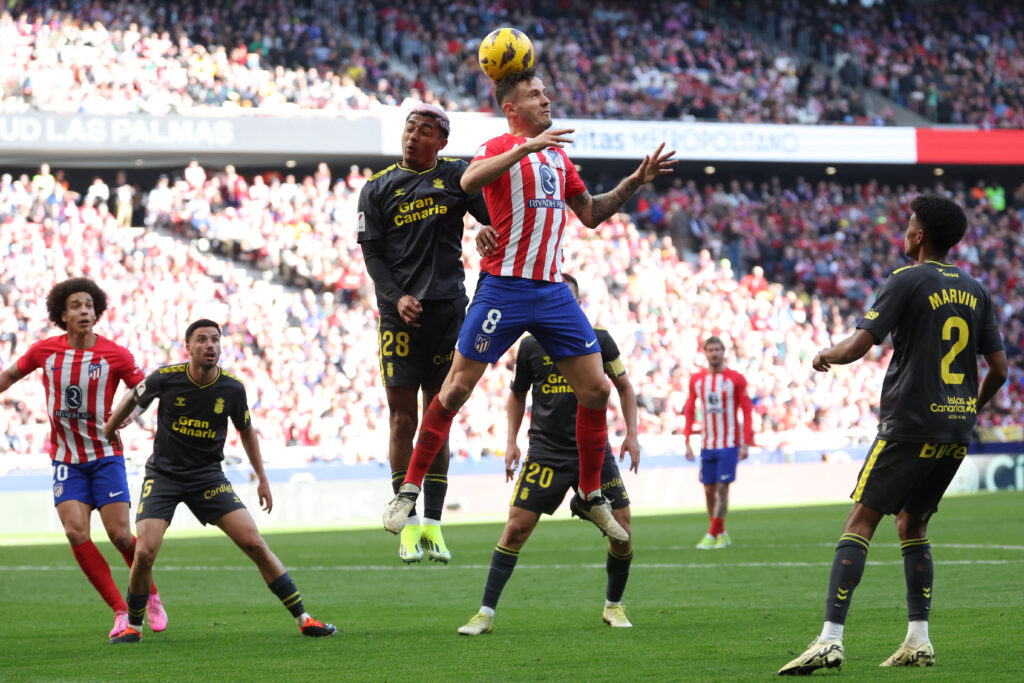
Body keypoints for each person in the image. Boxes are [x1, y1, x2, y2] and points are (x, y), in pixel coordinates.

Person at [383, 68, 676, 543]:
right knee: (455, 390)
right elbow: (468, 184)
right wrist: (524, 148)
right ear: (512, 109)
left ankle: (588, 495)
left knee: (597, 391)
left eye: (545, 91)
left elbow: (592, 213)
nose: (546, 99)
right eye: (535, 95)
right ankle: (409, 489)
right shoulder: (499, 147)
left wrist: (635, 181)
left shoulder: (558, 158)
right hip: (503, 288)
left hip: (553, 291)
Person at [778, 195, 1007, 675]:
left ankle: (830, 640)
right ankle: (918, 640)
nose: (904, 230)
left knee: (860, 520)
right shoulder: (977, 288)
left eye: (909, 223)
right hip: (955, 428)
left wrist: (825, 354)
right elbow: (1000, 371)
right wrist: (968, 409)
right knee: (913, 524)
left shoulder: (906, 279)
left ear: (920, 235)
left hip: (910, 423)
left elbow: (860, 345)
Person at [102, 319, 335, 642]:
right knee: (145, 552)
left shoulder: (232, 388)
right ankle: (134, 626)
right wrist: (111, 426)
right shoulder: (165, 378)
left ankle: (304, 618)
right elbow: (133, 397)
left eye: (215, 339)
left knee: (254, 542)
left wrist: (262, 478)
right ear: (189, 347)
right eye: (202, 340)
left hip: (208, 477)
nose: (210, 345)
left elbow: (246, 432)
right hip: (164, 477)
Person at [457, 273, 641, 636]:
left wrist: (632, 434)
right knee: (515, 529)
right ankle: (485, 613)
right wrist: (511, 441)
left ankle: (613, 606)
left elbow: (624, 386)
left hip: (595, 453)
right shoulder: (530, 346)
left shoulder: (599, 340)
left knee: (623, 532)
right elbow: (517, 394)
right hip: (547, 452)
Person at [357, 103, 491, 564]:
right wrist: (396, 297)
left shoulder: (457, 175)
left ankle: (434, 525)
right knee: (401, 419)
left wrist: (486, 231)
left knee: (440, 413)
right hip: (399, 316)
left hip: (448, 310)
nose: (414, 136)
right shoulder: (377, 187)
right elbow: (372, 255)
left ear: (442, 142)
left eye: (426, 130)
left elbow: (489, 215)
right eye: (410, 128)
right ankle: (408, 526)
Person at [0, 278, 167, 638]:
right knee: (76, 533)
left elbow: (144, 390)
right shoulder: (44, 351)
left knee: (122, 536)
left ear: (97, 311)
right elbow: (11, 375)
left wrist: (130, 416)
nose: (84, 311)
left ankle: (150, 595)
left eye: (89, 305)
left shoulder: (115, 354)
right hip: (66, 459)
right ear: (62, 314)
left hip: (105, 455)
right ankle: (121, 611)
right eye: (76, 305)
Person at [683, 335, 754, 550]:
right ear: (705, 353)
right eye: (710, 350)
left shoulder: (735, 379)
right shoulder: (697, 380)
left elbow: (747, 409)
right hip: (707, 443)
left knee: (722, 488)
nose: (714, 353)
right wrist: (687, 439)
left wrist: (746, 442)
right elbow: (689, 409)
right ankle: (721, 532)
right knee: (708, 491)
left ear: (724, 352)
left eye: (717, 350)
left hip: (729, 443)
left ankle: (712, 533)